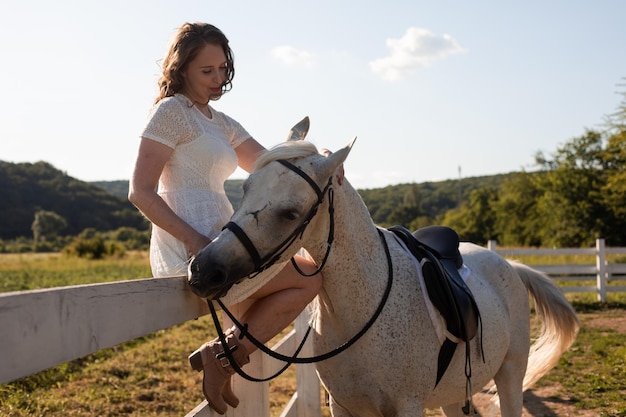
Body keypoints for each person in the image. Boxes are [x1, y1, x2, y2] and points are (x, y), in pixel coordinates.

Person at [128, 22, 341, 414]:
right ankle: (224, 357)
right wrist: (195, 241)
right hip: (192, 241)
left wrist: (320, 157)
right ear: (182, 69)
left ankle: (222, 356)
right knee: (309, 277)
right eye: (206, 71)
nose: (218, 79)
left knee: (310, 271)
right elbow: (139, 192)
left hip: (225, 234)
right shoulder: (170, 112)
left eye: (223, 69)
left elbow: (270, 163)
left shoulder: (220, 122)